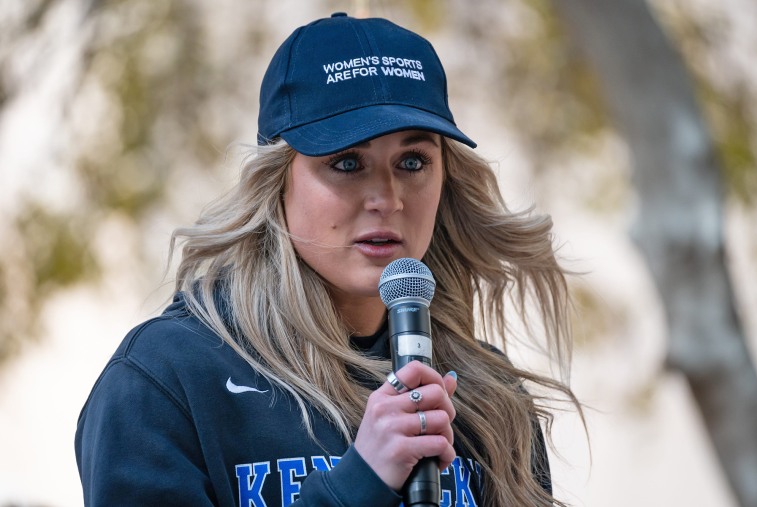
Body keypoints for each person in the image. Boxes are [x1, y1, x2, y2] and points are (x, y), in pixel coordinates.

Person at [75, 12, 580, 507]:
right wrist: (356, 485)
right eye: (346, 163)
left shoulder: (488, 391)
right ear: (276, 183)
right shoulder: (167, 379)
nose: (388, 198)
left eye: (412, 162)